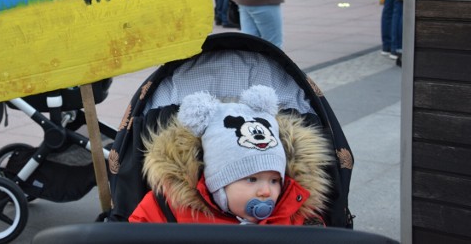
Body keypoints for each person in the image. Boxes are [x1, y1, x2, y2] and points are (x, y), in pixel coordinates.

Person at [129, 85, 333, 224]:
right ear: (217, 184)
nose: (266, 191)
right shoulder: (172, 207)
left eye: (273, 180)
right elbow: (134, 231)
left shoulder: (290, 211)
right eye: (251, 179)